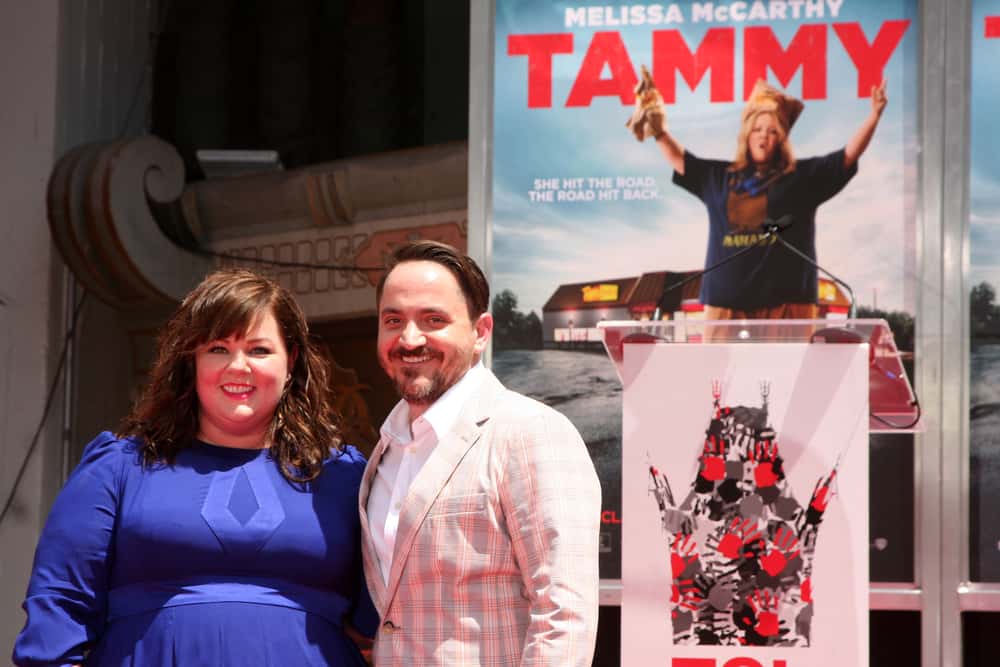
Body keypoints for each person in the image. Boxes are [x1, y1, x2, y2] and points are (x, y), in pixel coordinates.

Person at [13, 269, 377, 666]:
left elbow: (384, 617)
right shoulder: (119, 468)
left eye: (259, 350)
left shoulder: (343, 477)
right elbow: (59, 606)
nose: (238, 366)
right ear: (192, 363)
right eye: (218, 349)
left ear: (290, 362)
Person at [358, 240, 601, 666]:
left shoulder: (530, 433)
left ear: (480, 332)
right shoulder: (385, 451)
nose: (409, 339)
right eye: (393, 320)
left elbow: (564, 616)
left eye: (433, 319)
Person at [630, 70, 888, 320]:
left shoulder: (801, 178)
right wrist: (659, 131)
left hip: (789, 306)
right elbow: (680, 160)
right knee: (719, 366)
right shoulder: (719, 177)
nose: (764, 135)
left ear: (782, 138)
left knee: (788, 366)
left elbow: (847, 156)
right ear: (746, 135)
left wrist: (874, 117)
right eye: (757, 129)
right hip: (724, 305)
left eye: (773, 130)